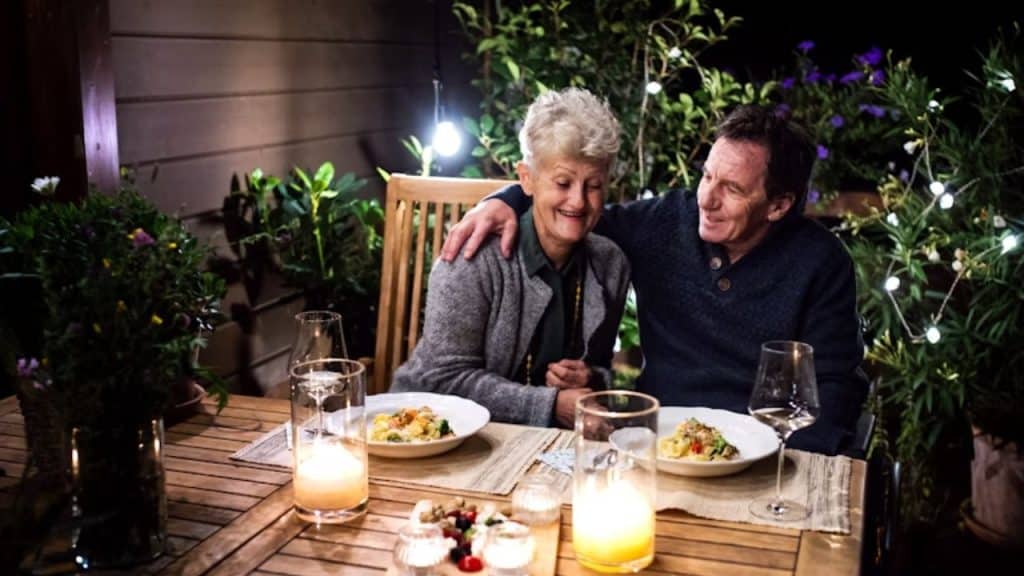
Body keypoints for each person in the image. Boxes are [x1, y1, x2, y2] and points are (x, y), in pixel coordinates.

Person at [441, 104, 868, 454]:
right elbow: (576, 211)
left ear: (778, 205)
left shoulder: (821, 262)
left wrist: (792, 469)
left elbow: (832, 389)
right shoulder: (666, 221)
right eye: (706, 176)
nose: (707, 199)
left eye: (732, 190)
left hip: (767, 453)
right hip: (660, 447)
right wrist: (503, 199)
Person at [390, 88, 630, 428]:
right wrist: (549, 405)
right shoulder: (473, 257)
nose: (578, 201)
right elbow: (440, 380)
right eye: (562, 182)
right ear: (526, 179)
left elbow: (603, 371)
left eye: (593, 185)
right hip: (435, 434)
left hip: (550, 450)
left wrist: (590, 377)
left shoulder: (610, 265)